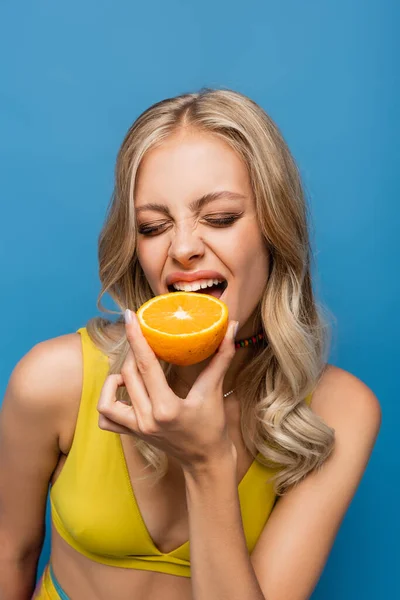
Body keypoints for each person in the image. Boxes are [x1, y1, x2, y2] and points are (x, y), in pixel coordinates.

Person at [0, 88, 381, 600]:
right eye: (153, 227)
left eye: (220, 218)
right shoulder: (53, 381)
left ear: (275, 227)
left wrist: (206, 464)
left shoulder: (338, 411)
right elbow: (12, 552)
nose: (181, 248)